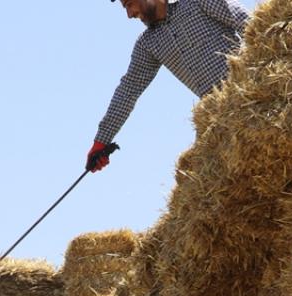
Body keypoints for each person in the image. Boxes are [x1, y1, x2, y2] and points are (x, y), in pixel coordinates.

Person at [86, 0, 251, 173]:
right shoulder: (147, 44)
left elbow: (250, 25)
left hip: (251, 91)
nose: (129, 14)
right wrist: (101, 141)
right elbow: (128, 91)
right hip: (222, 118)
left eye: (129, 4)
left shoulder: (197, 2)